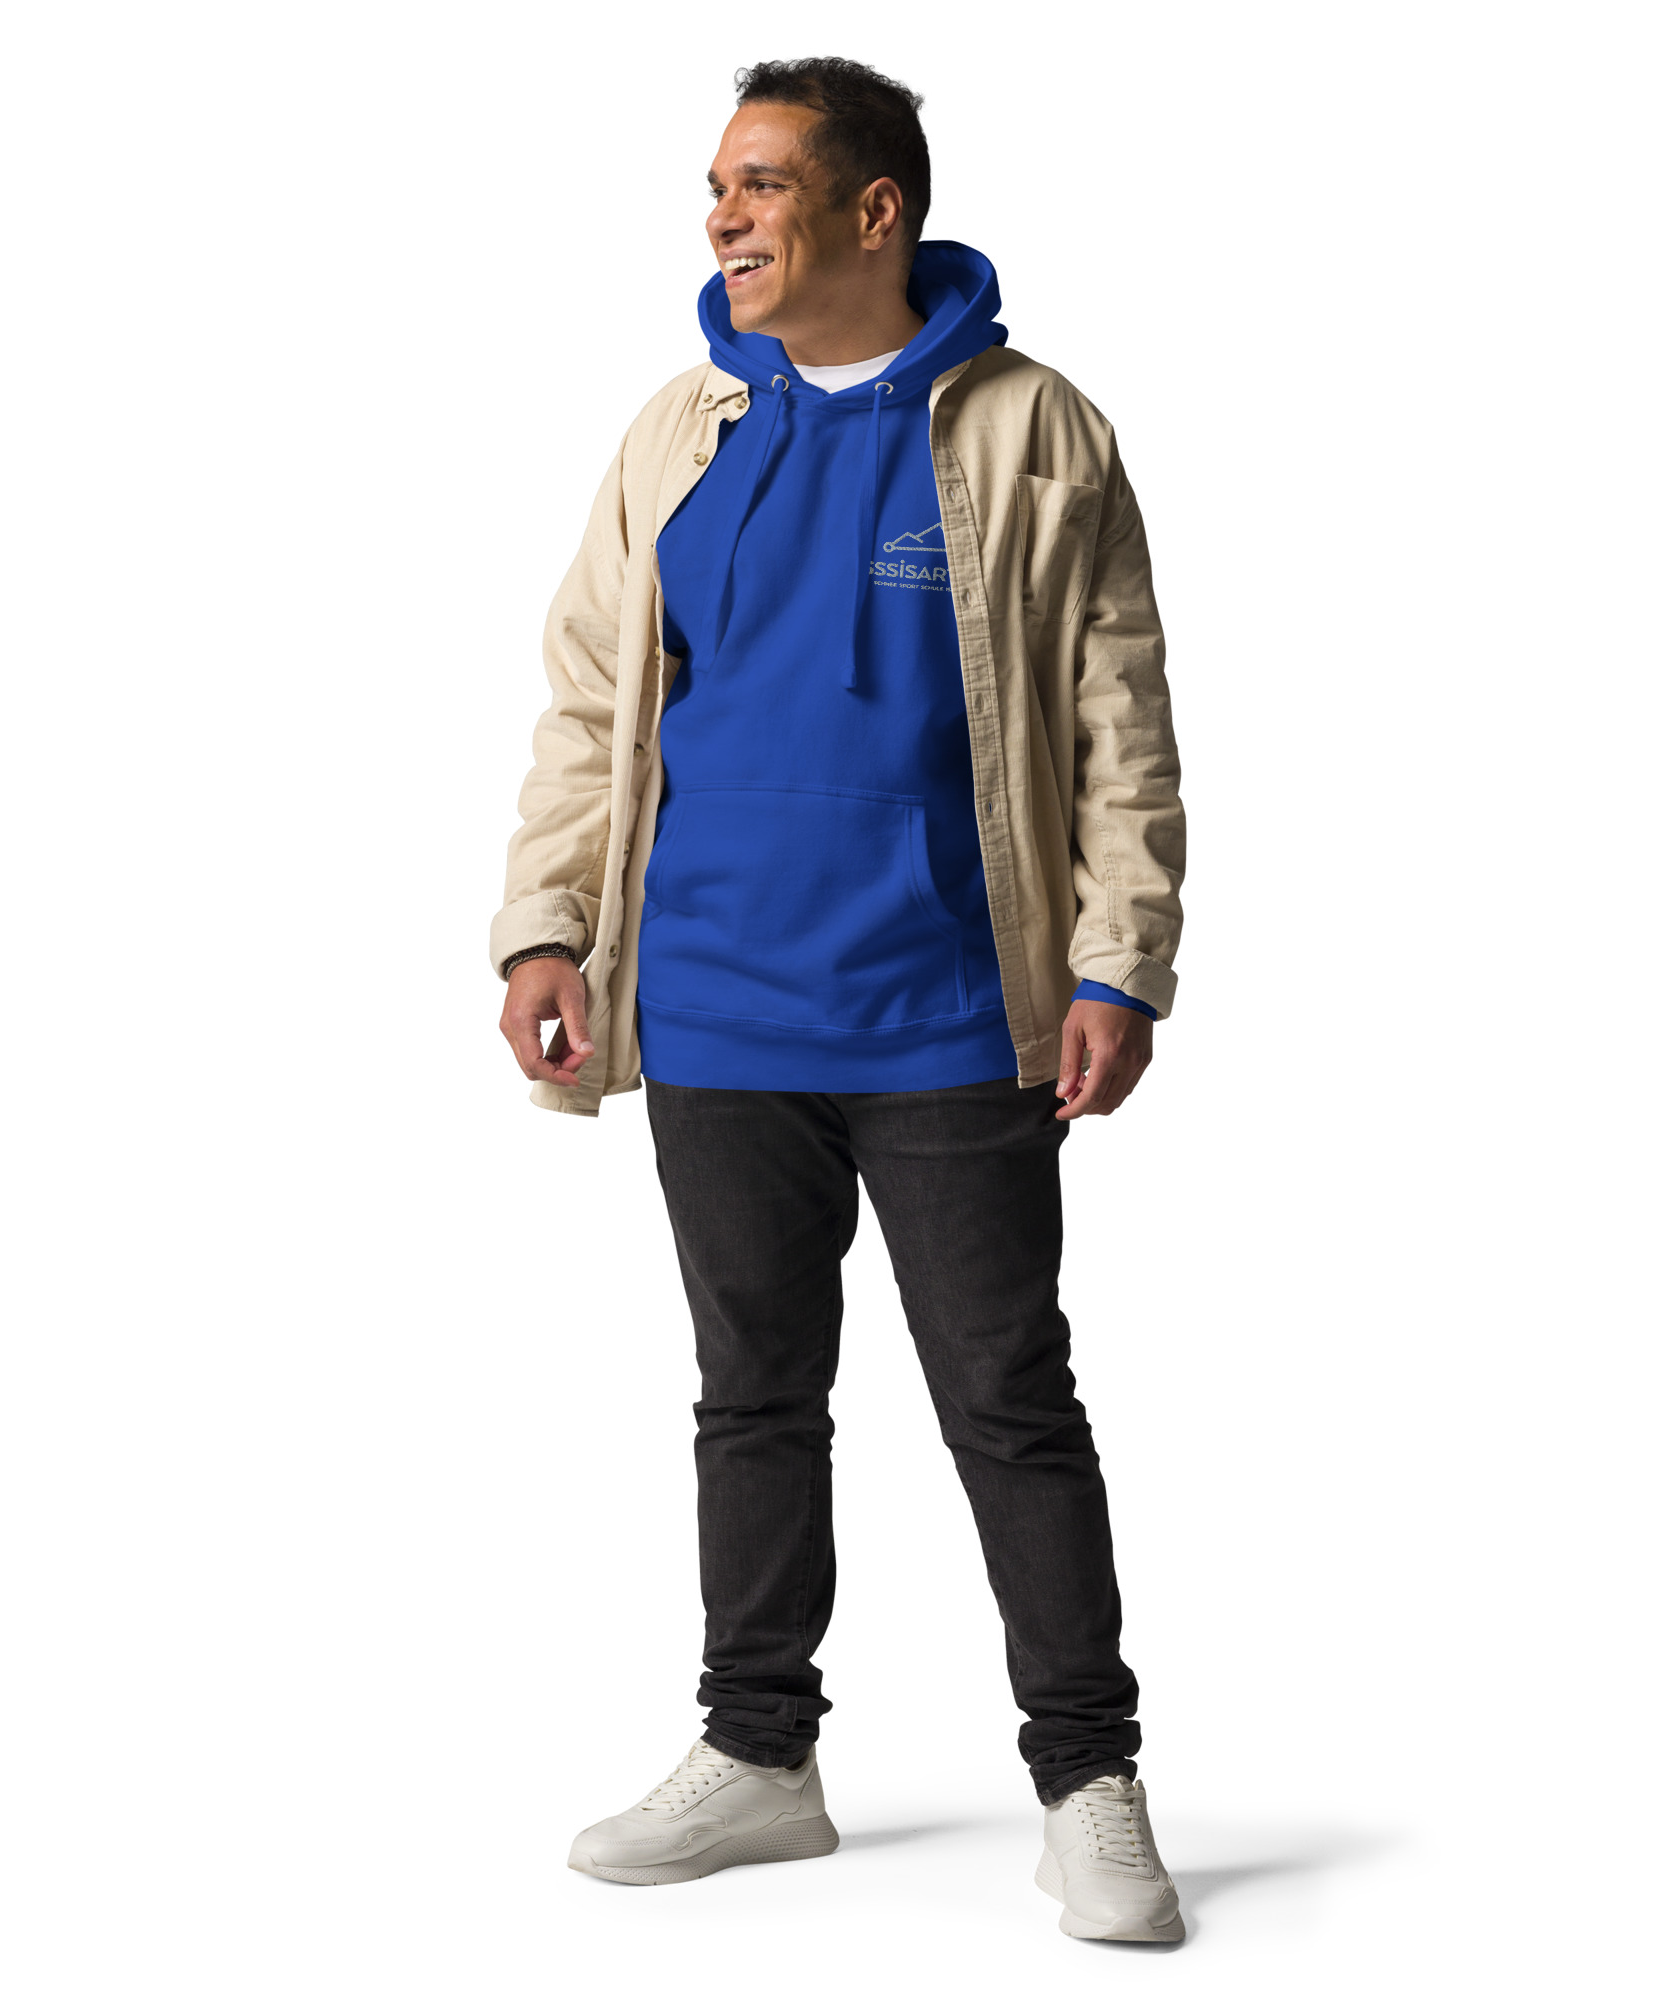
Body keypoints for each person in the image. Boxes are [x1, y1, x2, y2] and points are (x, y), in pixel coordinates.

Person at [494, 57, 1187, 1944]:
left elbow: (1120, 722)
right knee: (751, 1401)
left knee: (1008, 1401)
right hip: (716, 1007)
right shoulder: (682, 428)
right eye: (716, 187)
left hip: (954, 1012)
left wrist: (1121, 958)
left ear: (875, 211)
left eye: (762, 184)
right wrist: (546, 927)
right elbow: (592, 699)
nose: (723, 216)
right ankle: (759, 1755)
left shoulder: (1033, 430)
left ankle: (1089, 1782)